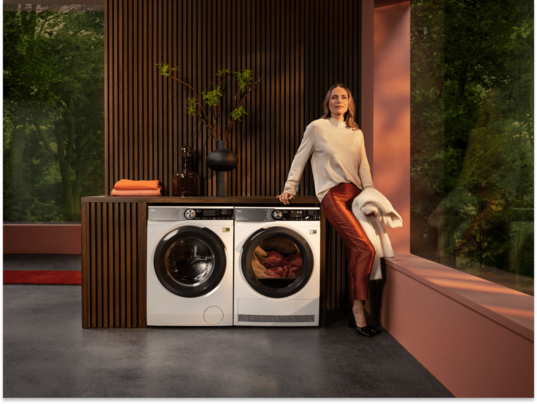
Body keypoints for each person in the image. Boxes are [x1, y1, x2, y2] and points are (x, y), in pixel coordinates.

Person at [276, 83, 377, 337]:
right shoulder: (316, 127)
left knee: (355, 252)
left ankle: (356, 309)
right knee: (365, 248)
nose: (339, 100)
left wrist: (371, 196)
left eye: (343, 97)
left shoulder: (356, 132)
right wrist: (290, 187)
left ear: (349, 103)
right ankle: (358, 312)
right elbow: (300, 158)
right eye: (334, 97)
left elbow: (363, 166)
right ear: (327, 102)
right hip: (331, 195)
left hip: (355, 195)